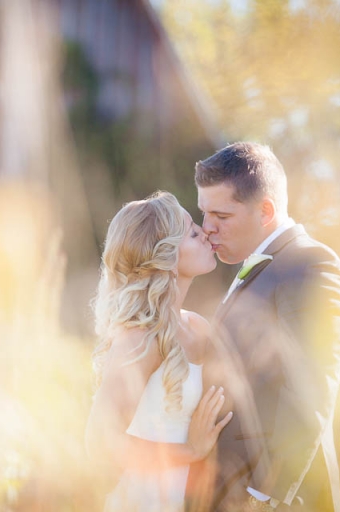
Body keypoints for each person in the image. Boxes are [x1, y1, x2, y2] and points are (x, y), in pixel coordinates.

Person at [186, 142, 340, 512]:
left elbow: (310, 392)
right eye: (204, 213)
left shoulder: (311, 266)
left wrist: (267, 498)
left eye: (222, 216)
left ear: (265, 211)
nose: (207, 228)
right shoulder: (257, 268)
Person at [85, 191, 234, 512]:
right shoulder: (139, 337)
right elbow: (100, 443)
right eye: (193, 233)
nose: (206, 233)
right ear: (164, 253)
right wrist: (190, 451)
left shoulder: (198, 328)